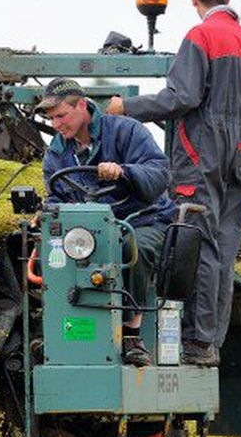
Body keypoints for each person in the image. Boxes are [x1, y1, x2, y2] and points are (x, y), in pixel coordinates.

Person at [106, 0, 241, 367]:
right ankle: (210, 343)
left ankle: (194, 340)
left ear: (195, 1)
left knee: (200, 241)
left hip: (203, 153)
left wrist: (130, 108)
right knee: (225, 248)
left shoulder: (200, 36)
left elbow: (184, 96)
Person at [38, 78, 175, 366]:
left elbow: (160, 174)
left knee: (130, 249)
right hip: (91, 233)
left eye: (61, 116)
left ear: (82, 105)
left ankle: (131, 335)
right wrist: (47, 211)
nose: (56, 125)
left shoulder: (127, 130)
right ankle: (59, 337)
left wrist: (124, 172)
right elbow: (55, 195)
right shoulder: (56, 153)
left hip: (143, 221)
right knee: (52, 255)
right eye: (51, 119)